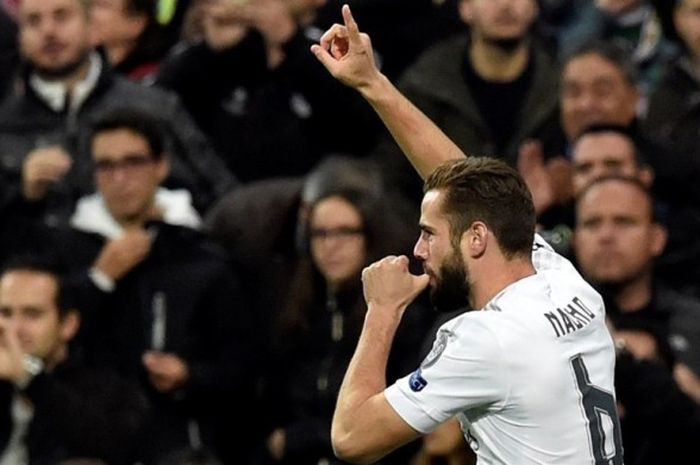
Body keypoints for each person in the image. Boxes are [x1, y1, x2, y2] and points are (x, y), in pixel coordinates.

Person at [311, 6, 622, 464]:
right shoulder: (560, 279)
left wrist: (382, 310)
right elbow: (463, 189)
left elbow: (353, 438)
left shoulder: (484, 341)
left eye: (428, 235)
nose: (418, 252)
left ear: (476, 240)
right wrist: (372, 83)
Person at [0, 256, 150, 465]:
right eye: (5, 313)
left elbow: (113, 445)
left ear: (68, 324)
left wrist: (30, 379)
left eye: (32, 314)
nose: (14, 329)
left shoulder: (110, 391)